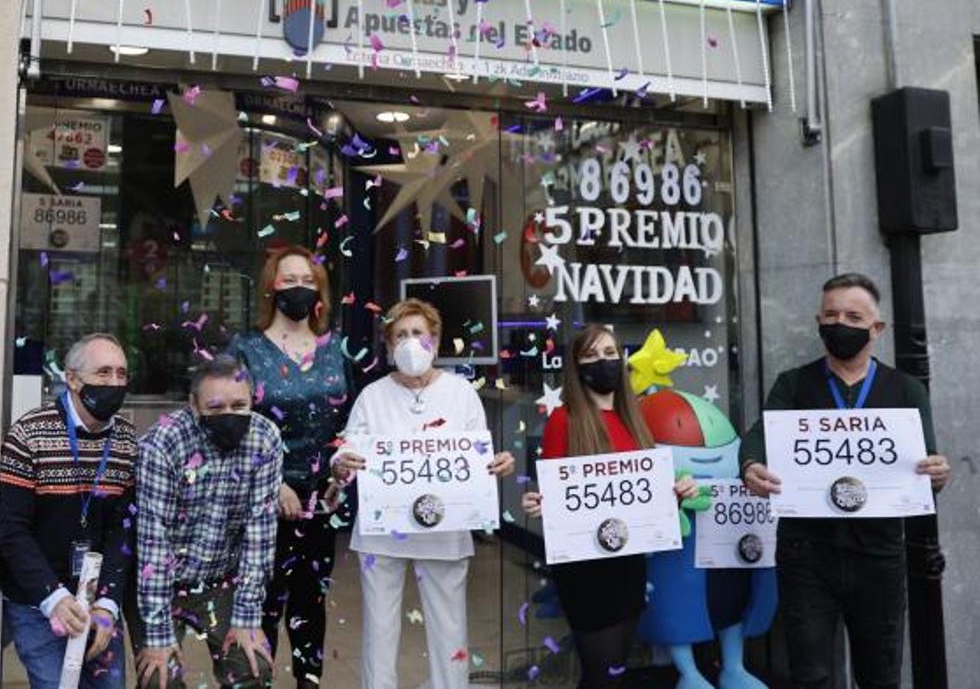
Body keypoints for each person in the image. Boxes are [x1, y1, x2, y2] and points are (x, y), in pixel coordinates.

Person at [738, 273, 950, 689]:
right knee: (811, 674)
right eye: (831, 314)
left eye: (854, 316)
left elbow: (924, 467)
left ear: (877, 328)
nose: (840, 324)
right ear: (818, 321)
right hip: (807, 554)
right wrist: (750, 467)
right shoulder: (793, 384)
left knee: (880, 674)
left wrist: (937, 475)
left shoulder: (906, 390)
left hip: (879, 555)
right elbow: (760, 436)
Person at [329, 298, 515, 689]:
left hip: (445, 532)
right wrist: (341, 464)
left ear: (435, 339)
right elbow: (349, 450)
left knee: (450, 629)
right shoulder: (373, 396)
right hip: (383, 534)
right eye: (400, 335)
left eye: (418, 333)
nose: (410, 342)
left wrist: (496, 465)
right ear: (388, 344)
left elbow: (476, 459)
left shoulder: (461, 393)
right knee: (379, 631)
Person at [521, 324, 697, 689]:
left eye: (609, 354)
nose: (602, 363)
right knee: (601, 676)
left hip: (629, 563)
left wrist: (675, 493)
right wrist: (541, 502)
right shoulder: (563, 421)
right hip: (586, 570)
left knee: (616, 670)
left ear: (621, 359)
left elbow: (644, 494)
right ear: (575, 366)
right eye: (590, 356)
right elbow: (554, 493)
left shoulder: (636, 419)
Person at [227, 246, 353, 687]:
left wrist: (341, 472)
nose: (299, 288)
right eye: (289, 280)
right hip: (264, 499)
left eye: (308, 281)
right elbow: (230, 424)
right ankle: (255, 679)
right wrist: (273, 482)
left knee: (310, 603)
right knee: (262, 602)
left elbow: (351, 421)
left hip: (323, 497)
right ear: (271, 286)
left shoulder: (335, 347)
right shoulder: (244, 349)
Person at [130, 355, 283, 689]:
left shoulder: (265, 437)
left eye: (239, 405)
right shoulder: (162, 444)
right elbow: (153, 539)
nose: (228, 415)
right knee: (159, 680)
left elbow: (260, 532)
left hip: (223, 579)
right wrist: (157, 635)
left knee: (252, 669)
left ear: (252, 401)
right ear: (194, 405)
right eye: (215, 407)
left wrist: (246, 618)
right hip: (164, 583)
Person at [0, 333, 139, 689]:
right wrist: (54, 598)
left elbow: (122, 530)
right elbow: (11, 529)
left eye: (122, 374)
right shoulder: (30, 434)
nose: (114, 383)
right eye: (103, 372)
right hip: (39, 604)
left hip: (96, 604)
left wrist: (107, 603)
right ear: (72, 379)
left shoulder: (125, 440)